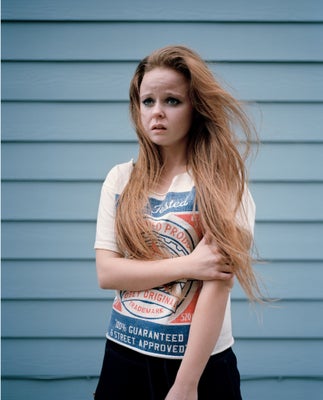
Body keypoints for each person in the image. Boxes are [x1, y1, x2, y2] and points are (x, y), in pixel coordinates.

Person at [93, 45, 261, 400]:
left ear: (195, 107)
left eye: (172, 101)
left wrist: (186, 384)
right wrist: (190, 264)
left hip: (199, 366)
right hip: (124, 356)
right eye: (147, 101)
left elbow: (216, 286)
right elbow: (108, 273)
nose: (157, 112)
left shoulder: (223, 183)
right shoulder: (120, 179)